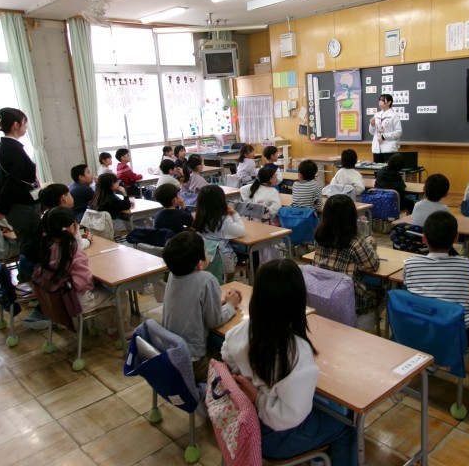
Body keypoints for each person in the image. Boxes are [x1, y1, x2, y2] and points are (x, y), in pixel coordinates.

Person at [221, 259, 357, 465]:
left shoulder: (242, 330)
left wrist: (244, 381)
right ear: (298, 303)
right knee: (347, 427)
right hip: (272, 434)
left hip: (245, 421)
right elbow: (290, 416)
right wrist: (258, 398)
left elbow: (226, 353)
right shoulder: (295, 352)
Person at [403, 211, 469, 373]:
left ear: (424, 238)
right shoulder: (464, 264)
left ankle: (430, 360)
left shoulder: (410, 263)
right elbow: (467, 282)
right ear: (456, 239)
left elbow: (407, 284)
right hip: (454, 331)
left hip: (420, 327)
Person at [162, 231, 241, 381]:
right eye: (205, 249)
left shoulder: (173, 275)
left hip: (172, 356)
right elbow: (214, 321)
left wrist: (221, 303)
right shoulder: (207, 280)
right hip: (194, 364)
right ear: (199, 263)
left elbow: (191, 304)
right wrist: (231, 305)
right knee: (237, 360)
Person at [313, 194, 381, 329]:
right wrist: (369, 242)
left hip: (325, 300)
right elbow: (373, 265)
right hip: (355, 307)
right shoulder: (355, 242)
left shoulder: (319, 238)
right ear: (351, 217)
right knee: (385, 290)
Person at [39, 207, 116, 315]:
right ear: (72, 227)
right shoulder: (74, 251)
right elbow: (83, 283)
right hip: (78, 302)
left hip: (60, 299)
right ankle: (120, 325)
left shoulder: (51, 249)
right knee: (119, 296)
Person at [0, 107, 41, 247]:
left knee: (28, 242)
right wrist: (3, 208)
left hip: (17, 206)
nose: (26, 127)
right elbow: (13, 181)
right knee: (31, 244)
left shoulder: (3, 147)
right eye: (24, 123)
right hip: (23, 206)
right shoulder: (13, 149)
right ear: (16, 125)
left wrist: (1, 205)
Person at [193, 185, 245, 277]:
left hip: (203, 257)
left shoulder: (198, 217)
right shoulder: (223, 220)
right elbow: (241, 231)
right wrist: (234, 214)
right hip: (222, 259)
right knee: (251, 253)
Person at [369, 94, 402, 164]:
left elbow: (398, 132)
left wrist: (384, 136)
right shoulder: (377, 115)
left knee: (389, 168)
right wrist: (372, 124)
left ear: (389, 102)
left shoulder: (394, 115)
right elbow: (372, 132)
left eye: (382, 100)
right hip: (377, 149)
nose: (380, 102)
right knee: (377, 169)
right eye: (379, 100)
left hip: (389, 149)